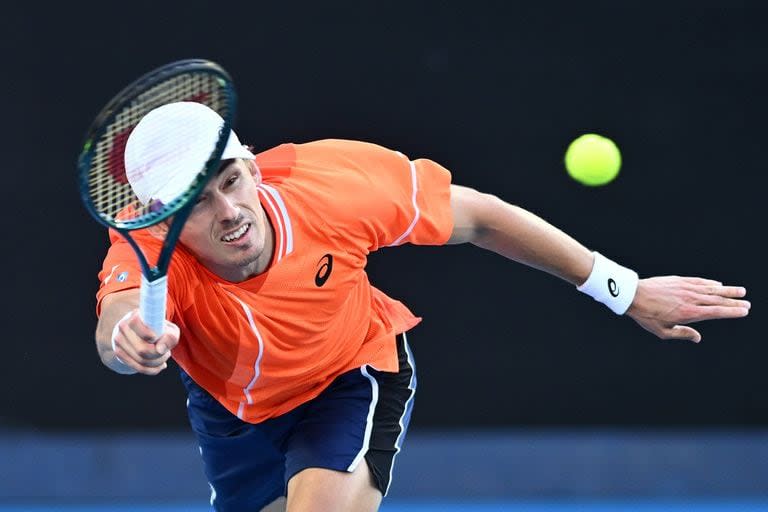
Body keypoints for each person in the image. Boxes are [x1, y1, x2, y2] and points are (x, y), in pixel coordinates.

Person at [94, 102, 750, 512]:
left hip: (349, 376)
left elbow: (482, 218)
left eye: (231, 182)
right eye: (199, 203)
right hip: (233, 413)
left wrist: (624, 289)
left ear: (254, 169)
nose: (229, 212)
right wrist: (128, 341)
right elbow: (117, 322)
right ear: (164, 216)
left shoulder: (334, 186)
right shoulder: (145, 247)